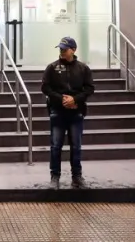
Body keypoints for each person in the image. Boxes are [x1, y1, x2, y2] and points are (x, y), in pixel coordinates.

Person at [40, 36, 95, 189]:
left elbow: (90, 88)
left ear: (74, 50)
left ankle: (77, 177)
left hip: (76, 112)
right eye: (61, 49)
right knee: (56, 145)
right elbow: (45, 88)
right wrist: (62, 99)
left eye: (65, 49)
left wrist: (75, 100)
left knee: (76, 146)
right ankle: (55, 177)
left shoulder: (83, 68)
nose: (62, 51)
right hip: (57, 111)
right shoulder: (52, 67)